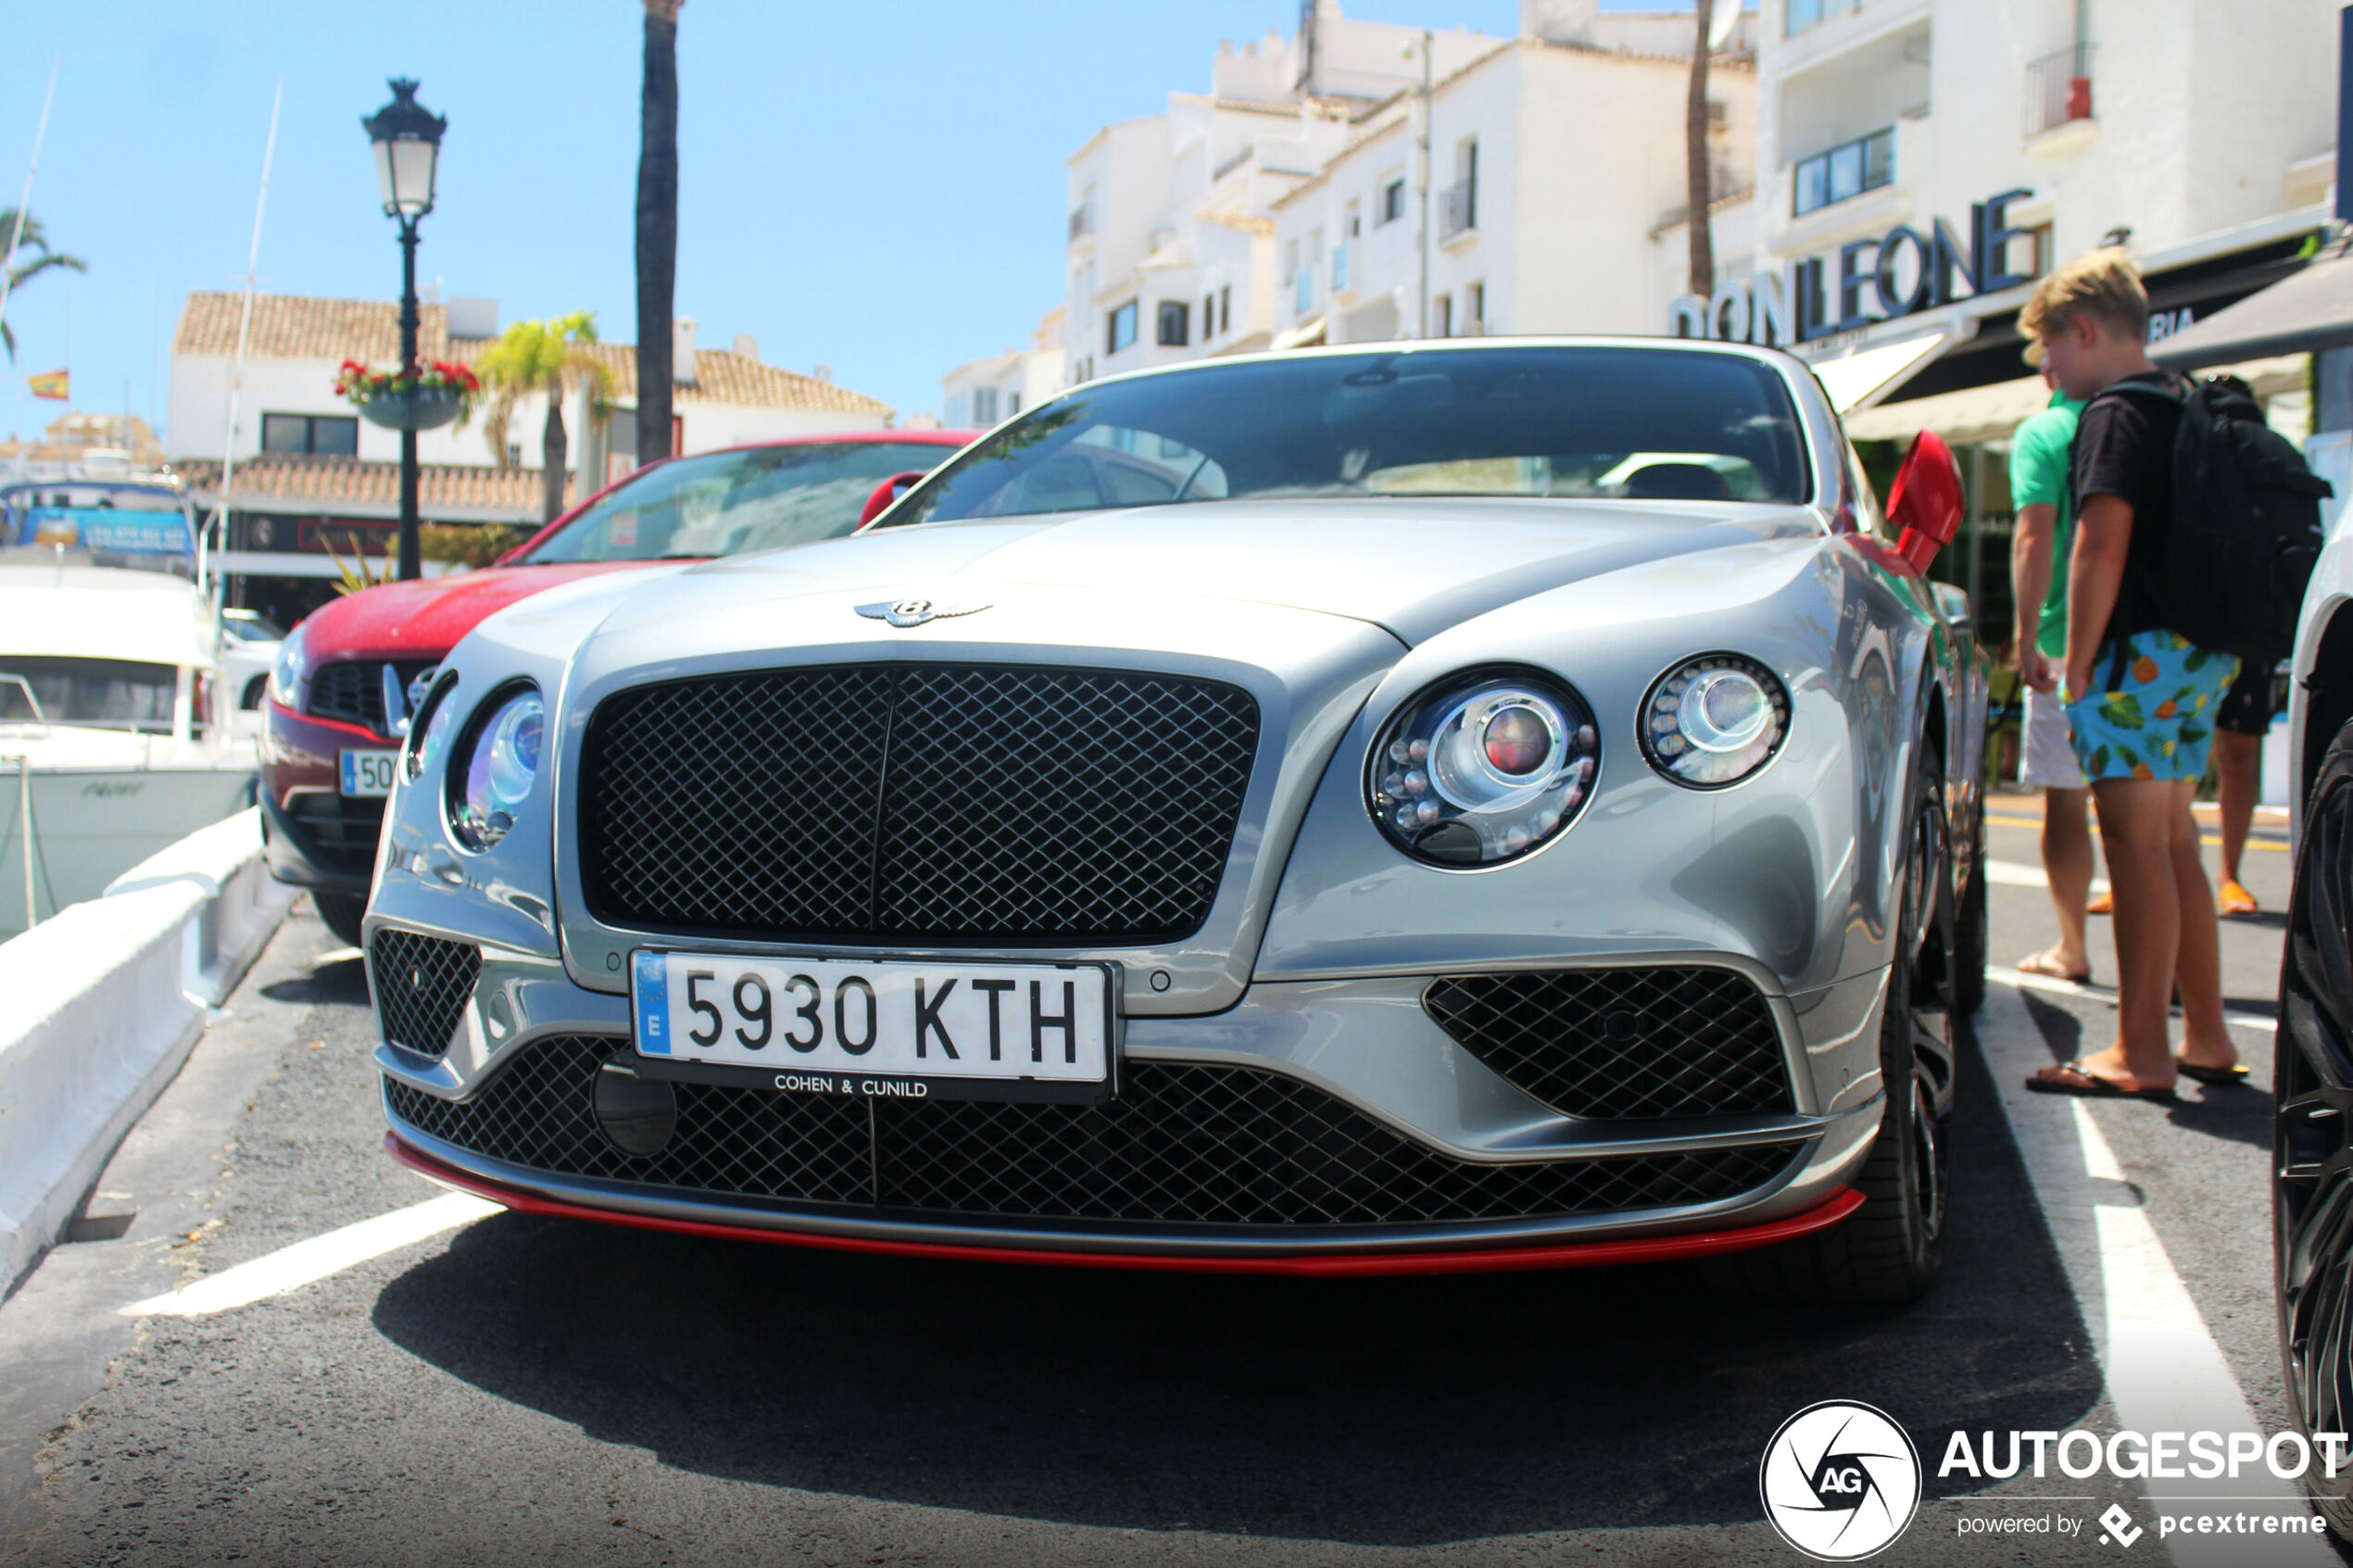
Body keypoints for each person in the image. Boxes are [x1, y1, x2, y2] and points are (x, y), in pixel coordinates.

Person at [2020, 248, 2241, 1101]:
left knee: (2135, 848)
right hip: (2195, 652)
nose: (2048, 369)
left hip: (2135, 656)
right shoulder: (2183, 400)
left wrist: (2076, 666)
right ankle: (2210, 1035)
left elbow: (2098, 542)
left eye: (2050, 349)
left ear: (2084, 330)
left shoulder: (2113, 413)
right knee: (2177, 840)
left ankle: (2140, 1051)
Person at [2007, 346, 2099, 984]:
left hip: (2068, 639)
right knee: (2164, 822)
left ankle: (2072, 947)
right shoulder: (2148, 415)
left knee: (2068, 803)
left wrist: (2026, 632)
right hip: (2152, 644)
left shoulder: (2047, 431)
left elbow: (2035, 536)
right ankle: (2176, 970)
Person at [2211, 661, 2278, 913]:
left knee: (2237, 755)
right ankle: (2133, 870)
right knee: (2153, 762)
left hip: (2243, 639)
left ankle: (2230, 876)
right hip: (2162, 637)